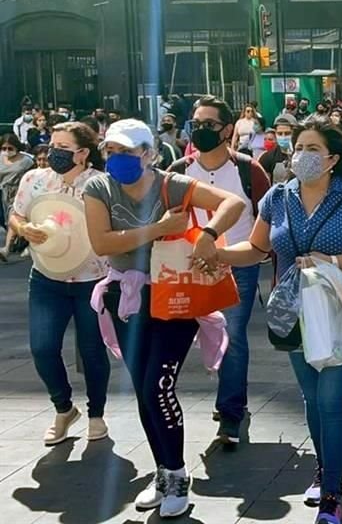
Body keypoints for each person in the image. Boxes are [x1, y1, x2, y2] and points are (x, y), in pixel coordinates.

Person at [219, 122, 342, 523]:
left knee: (331, 400)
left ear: (332, 158)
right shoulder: (278, 197)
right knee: (312, 399)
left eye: (312, 148)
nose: (302, 155)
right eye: (298, 147)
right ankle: (324, 470)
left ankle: (334, 494)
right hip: (292, 312)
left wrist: (334, 262)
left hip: (340, 311)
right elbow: (257, 247)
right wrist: (218, 252)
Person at [83, 118, 245, 518]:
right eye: (111, 151)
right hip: (128, 294)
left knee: (158, 384)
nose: (117, 159)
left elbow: (232, 203)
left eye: (126, 152)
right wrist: (158, 228)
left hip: (176, 292)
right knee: (143, 387)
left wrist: (207, 234)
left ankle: (176, 476)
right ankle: (163, 471)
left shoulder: (170, 184)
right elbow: (102, 242)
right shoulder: (98, 188)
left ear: (148, 154)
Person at [168, 97, 270, 444]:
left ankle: (231, 412)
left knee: (233, 338)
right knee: (180, 337)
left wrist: (258, 253)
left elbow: (265, 218)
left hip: (235, 266)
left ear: (228, 130)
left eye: (209, 124)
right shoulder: (179, 170)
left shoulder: (248, 170)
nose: (200, 130)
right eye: (195, 123)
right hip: (185, 268)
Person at [9, 122, 111, 444]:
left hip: (91, 280)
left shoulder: (101, 185)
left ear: (82, 153)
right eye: (52, 145)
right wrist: (23, 230)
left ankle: (97, 414)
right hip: (46, 276)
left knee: (92, 350)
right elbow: (16, 214)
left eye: (63, 148)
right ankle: (63, 407)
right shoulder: (34, 179)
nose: (53, 153)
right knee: (42, 348)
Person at [0, 134, 36, 261]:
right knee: (5, 220)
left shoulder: (26, 161)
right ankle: (19, 240)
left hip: (18, 192)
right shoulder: (0, 158)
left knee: (13, 217)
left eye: (10, 148)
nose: (7, 151)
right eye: (4, 148)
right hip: (2, 192)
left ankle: (6, 248)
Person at [259, 114, 297, 184]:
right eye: (280, 133)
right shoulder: (267, 157)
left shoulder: (300, 156)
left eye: (287, 133)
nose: (283, 136)